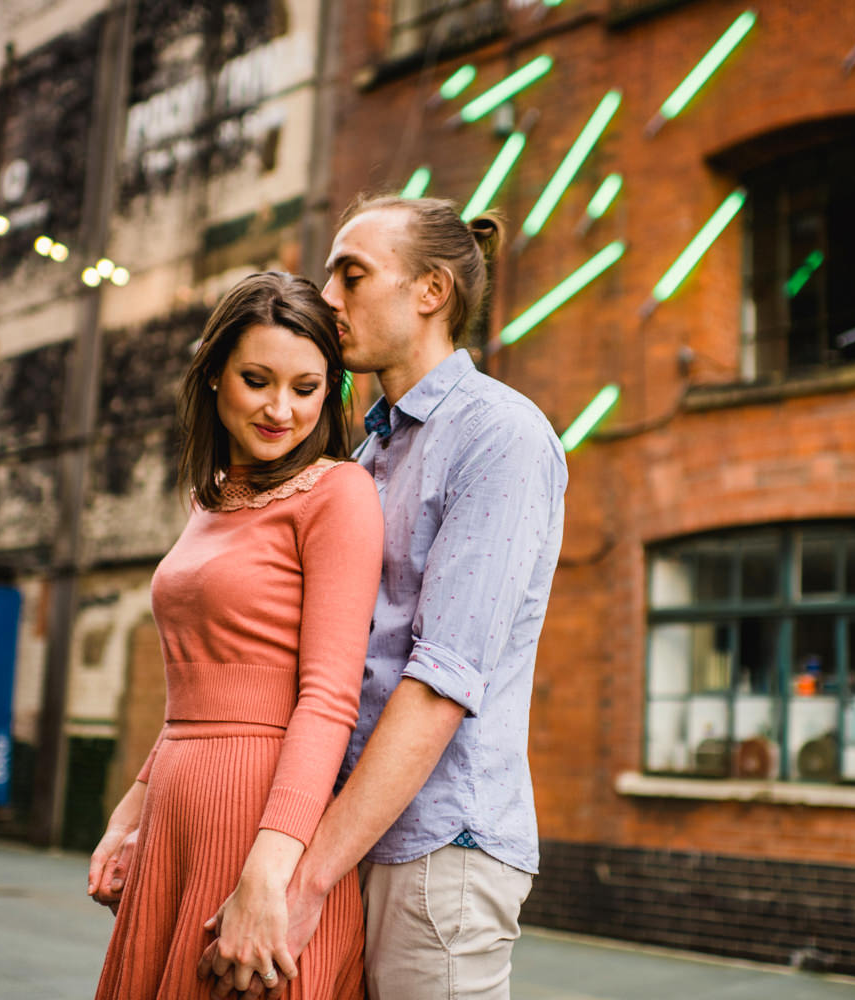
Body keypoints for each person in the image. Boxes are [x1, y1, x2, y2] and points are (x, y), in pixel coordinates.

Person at [200, 196, 567, 999]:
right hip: (349, 839)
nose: (327, 295)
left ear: (430, 292)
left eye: (352, 272)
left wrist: (303, 880)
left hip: (440, 851)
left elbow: (442, 683)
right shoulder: (368, 448)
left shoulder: (499, 435)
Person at [88, 271, 382, 999]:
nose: (282, 408)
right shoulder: (209, 498)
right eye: (257, 380)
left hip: (263, 815)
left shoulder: (337, 494)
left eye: (307, 388)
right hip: (175, 815)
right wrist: (131, 812)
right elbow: (193, 688)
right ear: (215, 372)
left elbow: (328, 698)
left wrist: (269, 874)